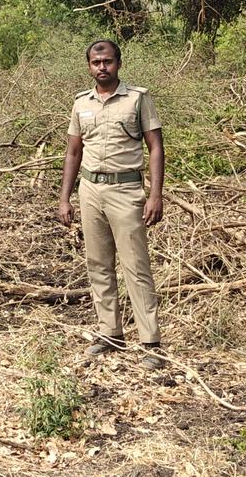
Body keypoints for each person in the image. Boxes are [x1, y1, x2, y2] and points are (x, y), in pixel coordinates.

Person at [58, 40, 165, 369]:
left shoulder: (137, 99)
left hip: (126, 191)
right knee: (98, 264)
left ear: (118, 63)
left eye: (107, 61)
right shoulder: (81, 104)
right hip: (90, 190)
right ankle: (110, 334)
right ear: (88, 65)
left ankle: (151, 343)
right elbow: (73, 152)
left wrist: (155, 194)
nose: (101, 67)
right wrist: (65, 197)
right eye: (95, 62)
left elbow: (155, 148)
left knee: (136, 267)